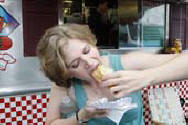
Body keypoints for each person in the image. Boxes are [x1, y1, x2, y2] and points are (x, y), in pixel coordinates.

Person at [37, 23, 188, 125]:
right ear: (66, 73)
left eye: (87, 51)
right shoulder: (65, 85)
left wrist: (145, 77)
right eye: (75, 64)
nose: (89, 62)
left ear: (91, 42)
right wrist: (81, 116)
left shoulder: (126, 63)